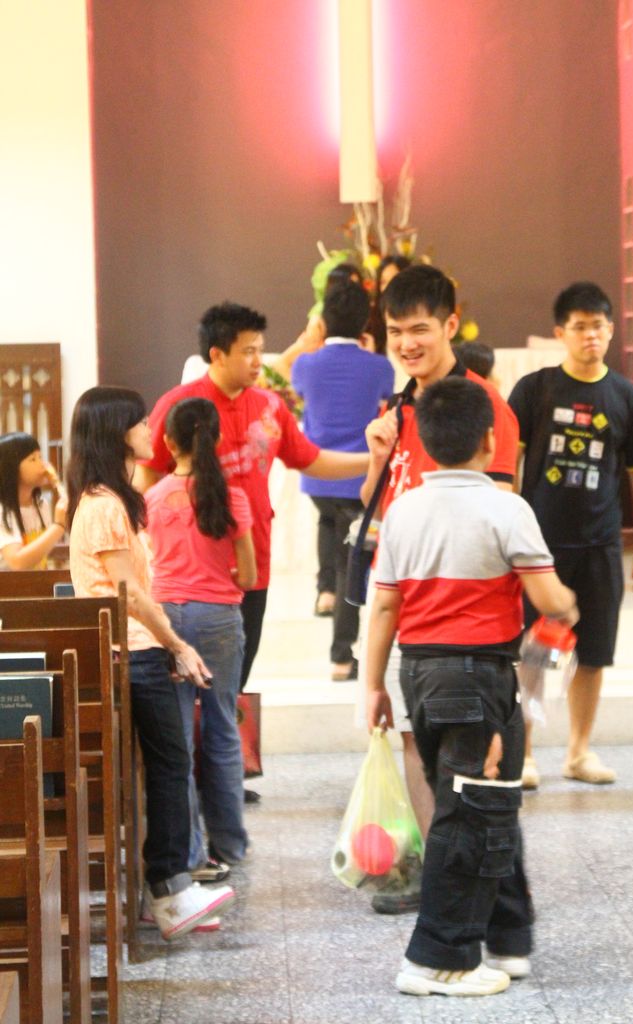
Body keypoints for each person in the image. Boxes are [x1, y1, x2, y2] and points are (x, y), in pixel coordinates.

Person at [366, 376, 578, 997]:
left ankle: (507, 937)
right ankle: (439, 959)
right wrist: (568, 602)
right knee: (469, 815)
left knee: (488, 801)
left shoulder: (402, 510)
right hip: (477, 676)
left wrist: (373, 686)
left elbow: (384, 607)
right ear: (489, 440)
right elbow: (547, 597)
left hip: (420, 673)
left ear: (426, 443)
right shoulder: (506, 509)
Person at [134, 301, 370, 796]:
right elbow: (148, 479)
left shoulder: (269, 406)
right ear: (217, 354)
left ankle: (221, 778)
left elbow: (310, 459)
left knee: (234, 677)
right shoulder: (180, 406)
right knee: (188, 684)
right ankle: (191, 786)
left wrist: (374, 461)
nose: (258, 361)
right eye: (248, 352)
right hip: (192, 578)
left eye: (261, 350)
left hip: (251, 568)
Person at [360, 264, 519, 914]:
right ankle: (436, 875)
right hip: (405, 607)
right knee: (412, 740)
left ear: (451, 325)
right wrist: (377, 459)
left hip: (464, 621)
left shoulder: (482, 407)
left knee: (469, 758)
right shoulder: (397, 408)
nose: (407, 343)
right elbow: (377, 510)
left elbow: (498, 513)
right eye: (396, 331)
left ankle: (473, 892)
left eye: (419, 329)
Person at [67, 386, 235, 940]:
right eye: (140, 422)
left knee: (166, 766)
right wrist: (178, 645)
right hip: (132, 650)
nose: (150, 430)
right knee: (170, 765)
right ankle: (169, 890)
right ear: (116, 432)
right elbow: (130, 595)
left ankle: (163, 891)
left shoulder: (114, 499)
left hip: (137, 648)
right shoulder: (103, 504)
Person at [508, 282, 633, 789]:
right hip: (540, 547)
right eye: (579, 327)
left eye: (598, 326)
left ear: (611, 330)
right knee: (532, 653)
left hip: (600, 546)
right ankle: (524, 754)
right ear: (561, 333)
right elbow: (509, 464)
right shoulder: (535, 390)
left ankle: (578, 752)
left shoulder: (627, 398)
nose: (590, 335)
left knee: (593, 653)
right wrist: (508, 532)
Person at [145, 397, 257, 875]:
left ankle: (190, 853)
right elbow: (249, 576)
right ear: (216, 438)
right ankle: (230, 844)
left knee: (176, 742)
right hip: (218, 620)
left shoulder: (151, 499)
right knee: (222, 728)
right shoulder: (232, 497)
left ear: (169, 442)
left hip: (165, 621)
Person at [291, 283, 394, 680]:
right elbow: (384, 400)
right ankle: (341, 654)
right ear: (365, 321)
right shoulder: (379, 366)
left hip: (318, 474)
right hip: (358, 475)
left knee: (328, 522)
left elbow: (295, 388)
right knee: (350, 559)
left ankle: (325, 592)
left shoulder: (305, 364)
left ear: (323, 321)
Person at [0, 432, 68, 569]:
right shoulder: (3, 511)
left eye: (40, 457)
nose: (43, 464)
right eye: (33, 459)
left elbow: (42, 556)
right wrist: (58, 526)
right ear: (10, 469)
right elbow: (17, 562)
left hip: (36, 581)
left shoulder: (41, 505)